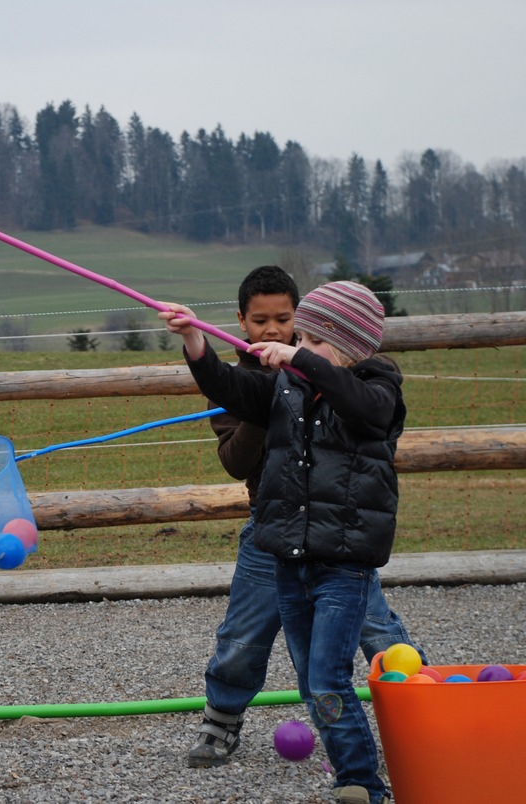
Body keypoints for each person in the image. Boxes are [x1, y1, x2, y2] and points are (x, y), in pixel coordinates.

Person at [161, 281, 403, 804]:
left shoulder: (377, 386)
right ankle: (351, 768)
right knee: (312, 682)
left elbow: (357, 401)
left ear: (350, 345)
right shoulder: (287, 388)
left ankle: (362, 779)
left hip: (344, 562)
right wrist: (195, 344)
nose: (300, 345)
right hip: (288, 555)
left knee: (330, 676)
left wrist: (299, 357)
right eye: (304, 339)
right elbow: (232, 390)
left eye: (314, 339)